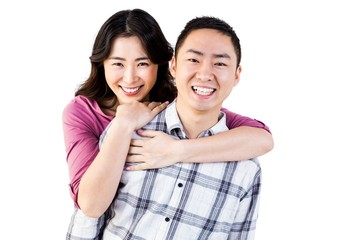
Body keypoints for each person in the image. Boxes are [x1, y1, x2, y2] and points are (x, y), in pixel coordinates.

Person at [63, 9, 272, 239]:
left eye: (142, 63)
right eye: (117, 64)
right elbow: (89, 209)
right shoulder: (90, 117)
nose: (130, 77)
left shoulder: (186, 99)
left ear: (163, 65)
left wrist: (176, 150)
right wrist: (123, 125)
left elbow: (261, 138)